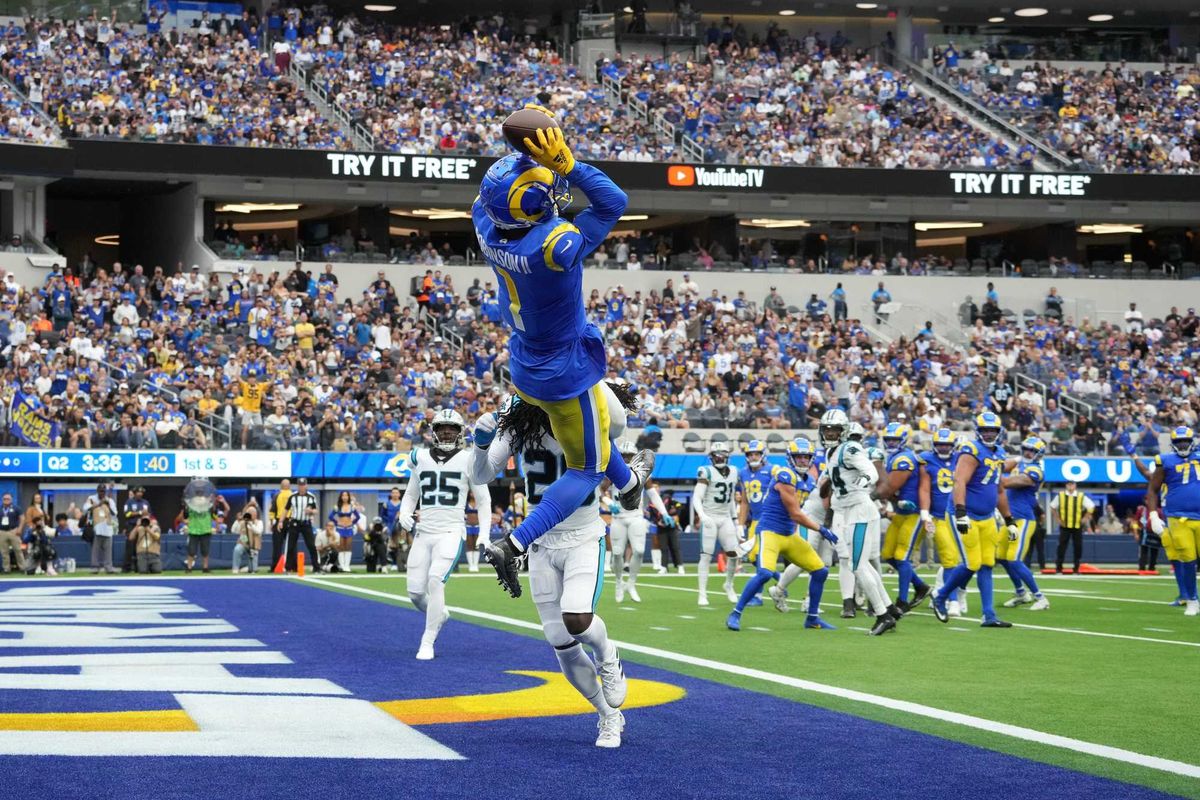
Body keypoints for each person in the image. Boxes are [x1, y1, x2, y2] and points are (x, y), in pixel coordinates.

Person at [472, 107, 652, 597]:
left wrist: (524, 155)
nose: (553, 186)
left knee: (594, 430)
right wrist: (568, 164)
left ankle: (632, 485)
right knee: (587, 466)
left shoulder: (486, 226)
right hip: (563, 364)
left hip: (527, 357)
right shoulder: (554, 244)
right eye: (543, 186)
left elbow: (496, 194)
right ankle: (514, 542)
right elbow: (613, 202)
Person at [397, 409, 492, 660]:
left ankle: (427, 640)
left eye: (451, 428)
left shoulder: (470, 459)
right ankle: (439, 614)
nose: (447, 432)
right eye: (442, 428)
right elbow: (410, 494)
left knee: (435, 579)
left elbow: (483, 502)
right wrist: (404, 512)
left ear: (460, 432)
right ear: (434, 432)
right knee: (416, 592)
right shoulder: (419, 458)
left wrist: (484, 533)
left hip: (450, 531)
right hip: (423, 532)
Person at [728, 437, 837, 632]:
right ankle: (735, 613)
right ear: (790, 457)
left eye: (806, 457)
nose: (803, 460)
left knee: (821, 571)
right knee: (764, 574)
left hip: (788, 534)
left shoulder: (809, 480)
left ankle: (812, 618)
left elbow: (821, 500)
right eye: (799, 456)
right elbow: (795, 513)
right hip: (770, 532)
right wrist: (821, 529)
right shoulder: (785, 475)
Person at [819, 409, 901, 635]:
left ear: (843, 431)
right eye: (827, 430)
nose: (830, 434)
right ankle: (890, 609)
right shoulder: (831, 453)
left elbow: (870, 472)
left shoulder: (849, 448)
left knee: (857, 565)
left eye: (835, 430)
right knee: (862, 563)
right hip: (848, 511)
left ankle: (882, 615)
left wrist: (863, 482)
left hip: (859, 510)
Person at [932, 412, 1017, 628]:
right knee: (972, 563)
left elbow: (998, 491)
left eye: (993, 430)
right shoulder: (971, 450)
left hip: (987, 517)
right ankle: (941, 596)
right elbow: (959, 481)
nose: (989, 434)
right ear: (978, 431)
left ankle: (989, 615)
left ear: (999, 432)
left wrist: (1009, 520)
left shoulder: (999, 453)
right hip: (966, 514)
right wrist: (960, 512)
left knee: (987, 564)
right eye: (986, 430)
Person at [1144, 426, 1199, 616]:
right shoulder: (1165, 461)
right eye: (1178, 442)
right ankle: (1192, 599)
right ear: (1173, 444)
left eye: (1185, 441)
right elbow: (1153, 488)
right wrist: (1153, 514)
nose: (1182, 445)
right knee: (1187, 559)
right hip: (1178, 517)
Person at [607, 440, 670, 604]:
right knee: (618, 553)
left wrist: (664, 512)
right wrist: (609, 504)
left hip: (636, 516)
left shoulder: (641, 472)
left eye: (629, 456)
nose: (627, 459)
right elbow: (599, 490)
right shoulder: (612, 469)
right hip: (618, 518)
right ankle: (619, 582)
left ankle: (631, 584)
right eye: (624, 455)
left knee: (640, 551)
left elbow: (653, 494)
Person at [877, 423, 932, 612]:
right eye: (888, 440)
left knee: (902, 557)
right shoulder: (893, 457)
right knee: (887, 555)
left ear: (903, 440)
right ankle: (920, 586)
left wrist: (872, 497)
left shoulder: (904, 459)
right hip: (901, 512)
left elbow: (889, 488)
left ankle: (902, 601)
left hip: (914, 514)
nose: (891, 443)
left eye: (894, 439)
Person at [919, 428, 967, 616]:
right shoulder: (927, 459)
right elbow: (924, 489)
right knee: (949, 559)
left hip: (962, 515)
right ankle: (953, 601)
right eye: (940, 444)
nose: (944, 447)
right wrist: (925, 515)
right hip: (940, 517)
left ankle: (945, 592)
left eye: (947, 444)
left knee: (966, 562)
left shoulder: (963, 459)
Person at [1000, 437, 1050, 611]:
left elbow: (1006, 482)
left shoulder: (1036, 470)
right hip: (1010, 518)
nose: (1028, 452)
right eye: (1026, 449)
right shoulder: (1020, 463)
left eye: (1032, 450)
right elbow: (1001, 466)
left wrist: (988, 472)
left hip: (1023, 520)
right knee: (1000, 556)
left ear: (1038, 455)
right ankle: (1021, 593)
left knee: (1014, 559)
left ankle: (1040, 597)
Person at [693, 440, 742, 607]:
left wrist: (736, 521)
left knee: (734, 554)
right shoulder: (706, 471)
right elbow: (697, 497)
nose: (719, 458)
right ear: (711, 457)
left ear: (728, 456)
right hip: (710, 517)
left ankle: (728, 584)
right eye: (716, 455)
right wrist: (702, 515)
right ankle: (702, 593)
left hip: (725, 517)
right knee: (706, 556)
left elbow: (731, 499)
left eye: (722, 455)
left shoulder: (735, 471)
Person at [1051, 479, 1094, 575]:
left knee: (1078, 547)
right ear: (1066, 486)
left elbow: (1091, 506)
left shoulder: (1080, 496)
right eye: (1068, 484)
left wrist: (1085, 518)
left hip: (1077, 526)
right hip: (1065, 525)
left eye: (1072, 484)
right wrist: (1057, 519)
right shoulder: (1061, 496)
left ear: (1075, 486)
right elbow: (1053, 507)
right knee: (1061, 547)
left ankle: (1076, 569)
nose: (1070, 486)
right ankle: (1058, 568)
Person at [283, 478, 320, 572]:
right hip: (294, 523)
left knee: (311, 545)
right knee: (291, 546)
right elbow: (286, 509)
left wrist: (311, 511)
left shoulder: (311, 496)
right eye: (300, 485)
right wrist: (280, 521)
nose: (302, 487)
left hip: (306, 523)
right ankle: (288, 568)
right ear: (297, 486)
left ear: (306, 485)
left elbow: (316, 511)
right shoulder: (292, 496)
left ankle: (316, 568)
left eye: (303, 485)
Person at [82, 483, 118, 574]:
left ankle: (108, 567)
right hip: (96, 527)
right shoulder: (91, 498)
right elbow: (85, 508)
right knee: (96, 549)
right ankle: (95, 567)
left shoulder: (109, 500)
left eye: (103, 491)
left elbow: (115, 513)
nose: (102, 493)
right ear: (97, 491)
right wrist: (99, 504)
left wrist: (108, 504)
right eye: (100, 491)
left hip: (107, 527)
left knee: (108, 549)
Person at [328, 491, 364, 573]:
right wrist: (337, 522)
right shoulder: (337, 506)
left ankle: (347, 566)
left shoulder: (352, 507)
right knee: (341, 546)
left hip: (349, 528)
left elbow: (357, 517)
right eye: (343, 495)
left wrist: (352, 523)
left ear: (348, 497)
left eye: (346, 495)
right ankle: (342, 565)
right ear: (341, 497)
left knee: (348, 546)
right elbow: (330, 516)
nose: (344, 497)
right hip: (340, 528)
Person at [121, 486, 150, 573]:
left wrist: (146, 515)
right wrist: (139, 513)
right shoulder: (129, 502)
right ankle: (126, 568)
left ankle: (139, 567)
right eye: (138, 492)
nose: (140, 494)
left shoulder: (145, 502)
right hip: (132, 526)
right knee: (130, 546)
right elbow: (126, 514)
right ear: (134, 493)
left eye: (141, 492)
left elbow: (149, 513)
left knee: (140, 547)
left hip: (142, 526)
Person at [231, 505, 264, 574]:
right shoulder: (243, 522)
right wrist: (238, 521)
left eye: (251, 513)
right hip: (244, 544)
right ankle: (235, 568)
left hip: (254, 546)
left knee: (253, 570)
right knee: (237, 549)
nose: (250, 515)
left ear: (255, 514)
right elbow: (233, 530)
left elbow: (258, 531)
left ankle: (249, 568)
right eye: (248, 513)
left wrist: (251, 524)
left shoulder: (259, 522)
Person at [269, 478, 293, 570]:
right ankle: (291, 566)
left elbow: (272, 510)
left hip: (279, 521)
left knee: (277, 545)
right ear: (289, 486)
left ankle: (275, 566)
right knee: (291, 545)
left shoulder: (277, 495)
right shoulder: (293, 495)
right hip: (291, 521)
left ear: (281, 486)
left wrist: (272, 522)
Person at [0, 493, 25, 575]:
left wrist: (20, 529)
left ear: (11, 500)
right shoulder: (0, 508)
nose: (6, 500)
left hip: (13, 531)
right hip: (2, 532)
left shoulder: (16, 508)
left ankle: (23, 568)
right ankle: (6, 569)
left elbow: (22, 518)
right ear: (2, 499)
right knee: (4, 552)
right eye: (5, 499)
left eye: (8, 499)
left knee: (18, 550)